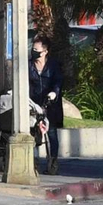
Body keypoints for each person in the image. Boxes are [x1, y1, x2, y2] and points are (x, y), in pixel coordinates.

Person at [28, 35, 64, 175]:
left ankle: (53, 161)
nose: (34, 52)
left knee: (52, 133)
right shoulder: (29, 65)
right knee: (34, 133)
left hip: (50, 104)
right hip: (34, 104)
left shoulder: (53, 65)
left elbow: (58, 82)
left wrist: (54, 93)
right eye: (33, 49)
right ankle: (33, 162)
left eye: (37, 49)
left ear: (45, 51)